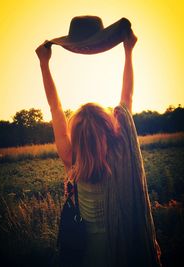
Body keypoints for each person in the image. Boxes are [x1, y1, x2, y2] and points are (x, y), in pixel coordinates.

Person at [35, 29, 162, 267]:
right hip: (121, 250)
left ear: (76, 135)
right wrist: (128, 50)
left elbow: (55, 107)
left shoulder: (71, 159)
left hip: (85, 254)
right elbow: (127, 99)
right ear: (109, 129)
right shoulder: (119, 154)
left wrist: (44, 63)